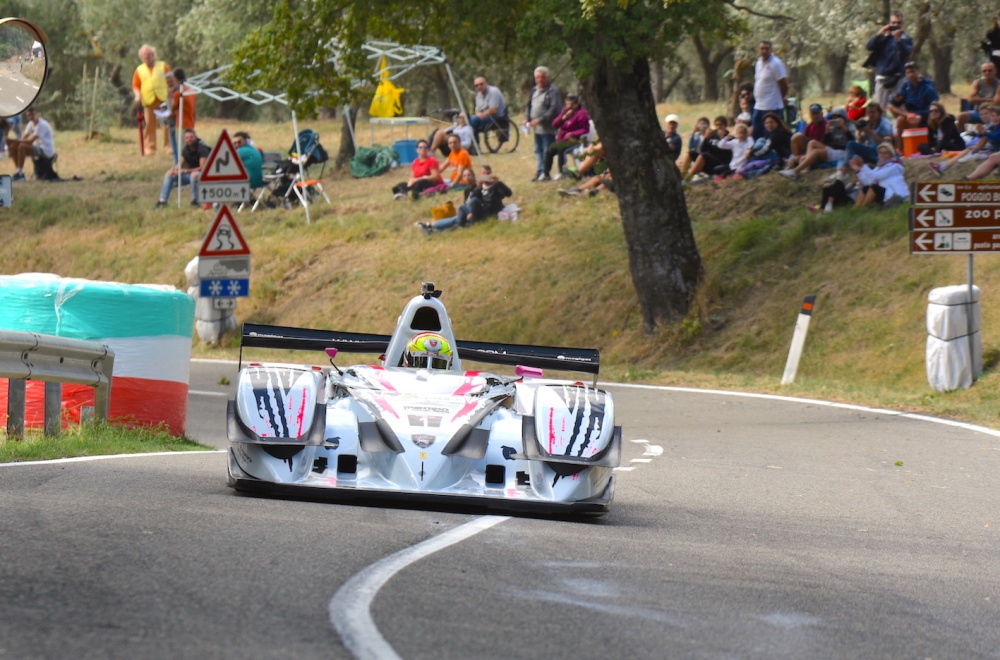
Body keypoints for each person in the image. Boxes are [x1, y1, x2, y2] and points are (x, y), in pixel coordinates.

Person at [809, 143, 906, 213]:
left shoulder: (895, 166)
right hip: (883, 192)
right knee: (866, 187)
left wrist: (862, 167)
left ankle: (860, 209)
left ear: (891, 155)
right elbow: (868, 180)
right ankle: (854, 210)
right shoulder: (879, 167)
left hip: (895, 194)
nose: (882, 155)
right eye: (880, 153)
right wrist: (858, 170)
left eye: (885, 153)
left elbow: (876, 176)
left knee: (871, 187)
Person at [417, 166, 513, 233]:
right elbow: (474, 199)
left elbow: (509, 193)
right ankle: (432, 229)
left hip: (485, 213)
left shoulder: (495, 186)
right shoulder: (477, 188)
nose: (485, 177)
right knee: (459, 213)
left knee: (460, 214)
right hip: (476, 212)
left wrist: (498, 182)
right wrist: (479, 188)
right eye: (483, 174)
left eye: (487, 174)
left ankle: (432, 227)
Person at [779, 108, 854, 180]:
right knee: (812, 142)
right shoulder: (832, 127)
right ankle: (807, 164)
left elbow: (852, 143)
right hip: (833, 149)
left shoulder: (849, 126)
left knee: (816, 152)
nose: (836, 120)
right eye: (834, 118)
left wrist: (845, 129)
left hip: (843, 152)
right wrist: (827, 133)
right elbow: (827, 142)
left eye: (838, 118)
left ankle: (795, 172)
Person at [930, 104, 1000, 176]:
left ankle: (943, 166)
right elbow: (985, 137)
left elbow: (994, 137)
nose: (984, 116)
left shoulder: (993, 125)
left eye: (986, 114)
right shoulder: (991, 125)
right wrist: (981, 133)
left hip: (992, 150)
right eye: (982, 114)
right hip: (989, 148)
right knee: (967, 150)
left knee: (967, 154)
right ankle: (942, 166)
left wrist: (984, 134)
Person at [864, 11, 913, 111]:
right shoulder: (883, 38)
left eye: (898, 23)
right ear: (889, 23)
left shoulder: (906, 39)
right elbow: (869, 46)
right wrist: (879, 34)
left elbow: (906, 53)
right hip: (883, 77)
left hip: (899, 78)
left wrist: (898, 40)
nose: (896, 25)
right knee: (880, 109)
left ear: (902, 24)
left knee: (900, 109)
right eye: (893, 23)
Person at [132, 44, 171, 157]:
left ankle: (168, 146)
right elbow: (135, 86)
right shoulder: (139, 70)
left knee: (166, 125)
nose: (147, 57)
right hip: (148, 101)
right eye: (145, 55)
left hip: (162, 99)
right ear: (141, 57)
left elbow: (170, 80)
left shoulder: (163, 66)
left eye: (149, 54)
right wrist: (137, 96)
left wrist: (172, 94)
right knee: (149, 125)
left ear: (154, 55)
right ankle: (150, 147)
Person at [887, 61, 939, 146]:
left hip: (925, 116)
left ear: (918, 72)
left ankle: (913, 145)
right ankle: (901, 147)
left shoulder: (927, 87)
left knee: (913, 120)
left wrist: (919, 116)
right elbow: (893, 103)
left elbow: (933, 107)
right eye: (908, 72)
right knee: (900, 118)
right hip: (910, 114)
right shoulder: (906, 86)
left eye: (913, 72)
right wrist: (896, 100)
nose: (911, 75)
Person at [155, 128, 210, 207]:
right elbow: (180, 163)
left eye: (191, 137)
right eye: (187, 138)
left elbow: (202, 168)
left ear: (195, 137)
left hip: (202, 175)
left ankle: (195, 201)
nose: (189, 139)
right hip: (189, 174)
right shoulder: (186, 150)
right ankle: (162, 201)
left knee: (193, 175)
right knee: (169, 173)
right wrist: (174, 170)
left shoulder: (202, 149)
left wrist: (184, 171)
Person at [525, 66, 562, 181]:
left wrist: (540, 119)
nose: (540, 80)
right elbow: (529, 105)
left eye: (542, 77)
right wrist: (527, 117)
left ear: (547, 78)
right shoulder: (534, 90)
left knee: (547, 150)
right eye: (537, 77)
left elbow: (554, 109)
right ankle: (540, 171)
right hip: (537, 128)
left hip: (548, 128)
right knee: (538, 150)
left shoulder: (552, 91)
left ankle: (546, 173)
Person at [544, 94, 590, 180]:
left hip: (575, 140)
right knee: (550, 149)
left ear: (576, 104)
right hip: (562, 139)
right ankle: (546, 174)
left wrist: (573, 133)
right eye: (567, 104)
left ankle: (562, 172)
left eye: (571, 104)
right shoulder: (565, 111)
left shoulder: (581, 113)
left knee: (562, 149)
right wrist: (563, 118)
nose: (568, 106)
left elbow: (585, 129)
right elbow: (554, 124)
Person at [5, 107, 56, 181]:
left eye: (32, 114)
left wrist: (12, 140)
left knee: (22, 146)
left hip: (46, 149)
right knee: (13, 147)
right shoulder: (30, 124)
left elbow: (29, 141)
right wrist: (11, 144)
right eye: (28, 115)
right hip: (36, 147)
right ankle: (19, 172)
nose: (31, 117)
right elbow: (23, 138)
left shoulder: (42, 124)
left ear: (37, 114)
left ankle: (20, 174)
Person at [751, 40, 789, 140]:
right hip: (759, 105)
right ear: (758, 50)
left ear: (771, 50)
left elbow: (784, 85)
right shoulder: (758, 62)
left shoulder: (775, 64)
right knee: (757, 132)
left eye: (767, 49)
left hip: (772, 106)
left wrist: (780, 99)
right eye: (762, 48)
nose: (764, 51)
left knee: (772, 134)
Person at [685, 116, 731, 182]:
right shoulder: (712, 135)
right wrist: (706, 138)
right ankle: (682, 175)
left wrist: (722, 138)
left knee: (704, 155)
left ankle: (687, 179)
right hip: (708, 161)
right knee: (691, 153)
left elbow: (727, 154)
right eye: (716, 125)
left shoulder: (729, 138)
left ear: (725, 125)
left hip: (720, 164)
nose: (719, 127)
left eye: (721, 125)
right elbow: (703, 149)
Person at [957, 62, 999, 131]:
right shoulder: (977, 83)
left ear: (995, 71)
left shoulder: (998, 84)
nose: (987, 73)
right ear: (981, 72)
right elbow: (971, 100)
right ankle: (961, 137)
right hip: (978, 112)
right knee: (961, 116)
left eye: (990, 70)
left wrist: (979, 99)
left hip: (993, 114)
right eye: (984, 71)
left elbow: (996, 102)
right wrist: (989, 99)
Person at [169, 68, 197, 163]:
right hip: (191, 122)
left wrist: (170, 96)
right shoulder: (192, 91)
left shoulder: (179, 93)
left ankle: (181, 165)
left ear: (176, 79)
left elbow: (173, 108)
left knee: (182, 147)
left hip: (181, 123)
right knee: (190, 145)